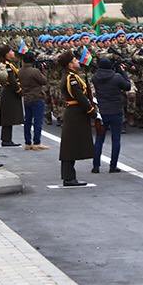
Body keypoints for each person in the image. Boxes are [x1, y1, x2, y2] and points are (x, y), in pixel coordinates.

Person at [57, 51, 95, 186]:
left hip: (75, 112)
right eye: (75, 60)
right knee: (70, 146)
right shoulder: (71, 78)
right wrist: (91, 110)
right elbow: (79, 96)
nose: (78, 61)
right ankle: (69, 178)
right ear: (70, 64)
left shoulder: (72, 75)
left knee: (71, 146)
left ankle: (69, 176)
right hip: (75, 113)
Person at [91, 57, 131, 173]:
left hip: (102, 111)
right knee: (116, 139)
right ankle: (113, 166)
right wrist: (122, 71)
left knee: (99, 139)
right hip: (116, 110)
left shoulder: (95, 78)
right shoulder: (116, 77)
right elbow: (127, 86)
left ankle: (96, 166)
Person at [18, 52, 48, 150]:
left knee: (27, 120)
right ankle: (36, 142)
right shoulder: (35, 71)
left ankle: (27, 142)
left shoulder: (20, 71)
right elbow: (44, 81)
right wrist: (43, 71)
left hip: (26, 97)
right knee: (38, 121)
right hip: (37, 97)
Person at [0, 46, 24, 148]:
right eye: (11, 51)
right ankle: (6, 140)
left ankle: (7, 139)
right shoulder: (6, 65)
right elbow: (11, 80)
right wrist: (19, 90)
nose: (13, 53)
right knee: (8, 117)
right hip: (9, 92)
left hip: (9, 92)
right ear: (7, 54)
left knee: (9, 117)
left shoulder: (9, 64)